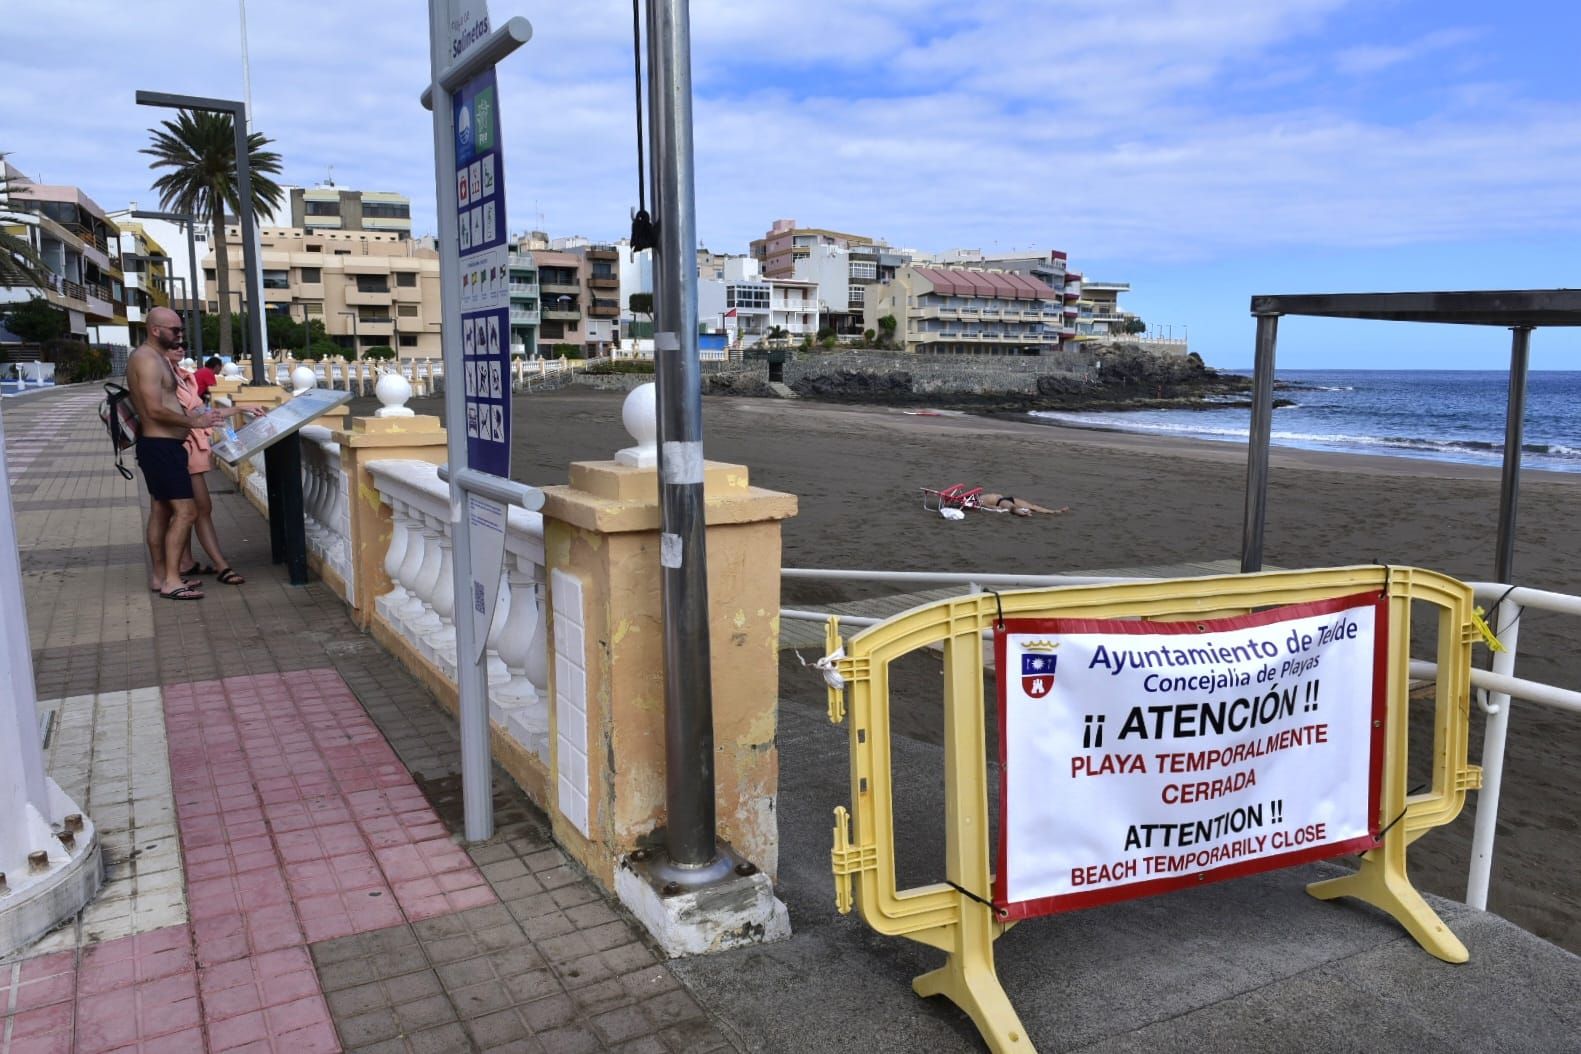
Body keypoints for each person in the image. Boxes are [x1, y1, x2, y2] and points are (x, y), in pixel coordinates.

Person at [128, 307, 229, 599]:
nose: (179, 335)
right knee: (186, 512)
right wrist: (192, 422)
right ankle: (172, 580)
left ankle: (161, 576)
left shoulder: (155, 358)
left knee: (161, 512)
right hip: (161, 447)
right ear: (156, 330)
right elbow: (153, 409)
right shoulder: (146, 360)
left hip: (165, 447)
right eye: (175, 330)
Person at [161, 341, 245, 586]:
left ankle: (185, 562)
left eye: (183, 345)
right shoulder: (163, 378)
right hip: (181, 446)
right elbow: (187, 415)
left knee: (184, 510)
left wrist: (242, 407)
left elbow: (203, 411)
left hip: (192, 445)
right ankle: (221, 565)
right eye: (173, 344)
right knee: (199, 508)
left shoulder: (183, 376)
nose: (180, 348)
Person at [976, 493, 1069, 518]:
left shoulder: (980, 498)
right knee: (1012, 508)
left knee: (1033, 506)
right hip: (1000, 502)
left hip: (1006, 498)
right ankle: (1023, 514)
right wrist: (997, 508)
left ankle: (1054, 511)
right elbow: (989, 507)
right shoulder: (980, 500)